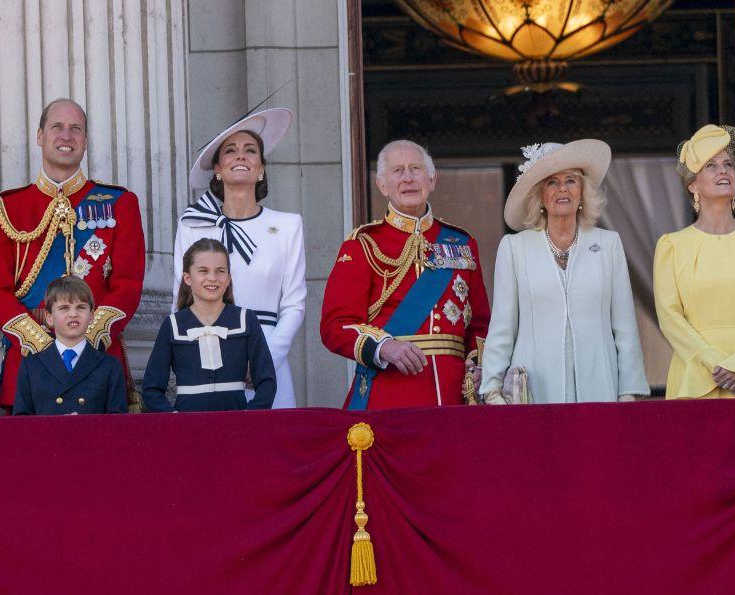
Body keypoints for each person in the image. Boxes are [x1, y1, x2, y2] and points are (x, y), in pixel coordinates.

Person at [0, 98, 146, 412]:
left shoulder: (120, 203)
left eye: (75, 129)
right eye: (57, 127)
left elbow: (128, 284)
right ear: (40, 136)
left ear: (85, 141)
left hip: (97, 362)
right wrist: (43, 345)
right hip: (29, 361)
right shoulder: (5, 208)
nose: (66, 136)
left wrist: (86, 338)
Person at [320, 139, 490, 409]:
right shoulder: (363, 244)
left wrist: (478, 366)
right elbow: (335, 325)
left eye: (416, 169)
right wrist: (383, 347)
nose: (408, 178)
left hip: (453, 394)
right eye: (398, 171)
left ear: (432, 180)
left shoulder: (462, 243)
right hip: (390, 392)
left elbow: (480, 323)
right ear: (382, 185)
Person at [479, 140, 649, 404]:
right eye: (551, 182)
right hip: (534, 392)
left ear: (582, 191)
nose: (562, 189)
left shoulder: (608, 244)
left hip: (600, 390)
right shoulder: (515, 248)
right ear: (540, 195)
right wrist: (492, 390)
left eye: (571, 180)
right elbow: (503, 326)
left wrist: (628, 392)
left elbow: (625, 327)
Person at [174, 108, 305, 408]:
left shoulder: (288, 225)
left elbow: (294, 304)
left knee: (272, 447)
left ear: (261, 167)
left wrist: (263, 360)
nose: (241, 156)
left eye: (250, 150)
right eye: (231, 151)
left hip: (269, 351)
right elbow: (180, 300)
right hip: (206, 351)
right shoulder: (193, 225)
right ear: (218, 169)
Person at [653, 125, 735, 399]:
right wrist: (717, 365)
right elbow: (670, 317)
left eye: (728, 164)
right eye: (711, 166)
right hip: (695, 374)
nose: (723, 170)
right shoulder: (672, 246)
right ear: (693, 185)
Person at [143, 238, 277, 411]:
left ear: (229, 278)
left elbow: (267, 381)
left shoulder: (246, 320)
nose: (212, 278)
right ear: (187, 278)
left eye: (220, 271)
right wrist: (173, 418)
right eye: (203, 271)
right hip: (188, 428)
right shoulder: (173, 325)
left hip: (237, 428)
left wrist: (249, 417)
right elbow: (151, 389)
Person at [12, 276, 127, 415]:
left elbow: (118, 424)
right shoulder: (30, 366)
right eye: (64, 308)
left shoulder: (110, 366)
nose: (73, 314)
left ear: (91, 316)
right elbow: (21, 424)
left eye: (80, 307)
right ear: (49, 317)